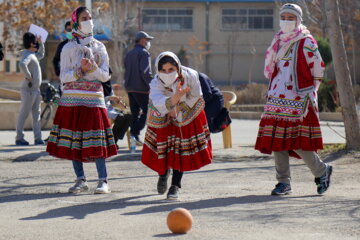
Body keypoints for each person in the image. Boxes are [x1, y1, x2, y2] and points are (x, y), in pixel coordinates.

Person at [255, 3, 332, 195]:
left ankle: (321, 170)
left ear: (298, 20)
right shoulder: (278, 41)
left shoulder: (306, 41)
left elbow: (318, 68)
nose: (287, 22)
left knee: (296, 140)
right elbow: (272, 69)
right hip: (276, 96)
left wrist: (309, 92)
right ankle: (283, 182)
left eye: (291, 18)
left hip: (299, 98)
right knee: (276, 140)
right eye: (284, 17)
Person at [46, 6, 117, 194]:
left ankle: (103, 180)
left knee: (97, 139)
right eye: (84, 18)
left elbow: (105, 77)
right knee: (74, 140)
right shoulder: (68, 47)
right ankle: (80, 179)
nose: (88, 21)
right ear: (76, 21)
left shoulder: (99, 47)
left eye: (90, 18)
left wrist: (92, 69)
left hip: (94, 98)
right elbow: (63, 76)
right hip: (72, 99)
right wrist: (80, 71)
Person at [142, 51, 213, 200]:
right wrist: (173, 102)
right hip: (163, 114)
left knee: (180, 148)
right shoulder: (155, 83)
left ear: (178, 67)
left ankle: (175, 185)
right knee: (164, 147)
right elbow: (159, 102)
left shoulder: (190, 76)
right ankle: (162, 173)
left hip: (185, 112)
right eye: (163, 70)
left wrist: (179, 107)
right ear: (158, 70)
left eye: (171, 69)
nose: (167, 73)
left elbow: (196, 96)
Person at [124, 31, 154, 146]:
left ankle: (134, 137)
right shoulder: (144, 53)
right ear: (142, 40)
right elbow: (145, 72)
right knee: (147, 111)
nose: (148, 42)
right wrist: (151, 85)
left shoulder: (129, 53)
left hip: (130, 87)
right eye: (147, 40)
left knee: (135, 112)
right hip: (141, 87)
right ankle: (134, 132)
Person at [15, 32, 45, 146]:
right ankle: (19, 138)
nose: (36, 43)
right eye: (35, 42)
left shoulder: (32, 54)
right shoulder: (27, 55)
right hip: (29, 90)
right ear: (30, 43)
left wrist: (41, 42)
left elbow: (41, 54)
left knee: (37, 115)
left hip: (35, 90)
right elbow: (22, 65)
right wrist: (29, 77)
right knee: (24, 114)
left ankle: (38, 139)